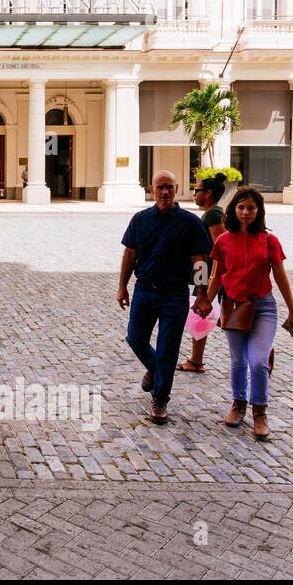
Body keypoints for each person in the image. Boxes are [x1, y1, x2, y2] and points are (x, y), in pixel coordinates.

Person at [194, 188, 293, 441]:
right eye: (241, 207)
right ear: (234, 210)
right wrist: (207, 302)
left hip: (263, 307)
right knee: (238, 360)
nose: (245, 212)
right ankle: (238, 404)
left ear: (258, 211)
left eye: (251, 208)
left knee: (257, 361)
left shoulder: (269, 241)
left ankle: (260, 412)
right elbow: (217, 275)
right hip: (233, 307)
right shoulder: (223, 241)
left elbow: (280, 276)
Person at [116, 170, 212, 425]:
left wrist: (202, 295)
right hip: (144, 290)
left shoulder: (190, 223)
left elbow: (200, 262)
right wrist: (122, 286)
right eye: (160, 187)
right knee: (135, 337)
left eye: (169, 187)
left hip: (174, 294)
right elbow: (129, 254)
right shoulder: (140, 220)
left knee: (168, 348)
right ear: (152, 189)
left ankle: (160, 399)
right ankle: (156, 369)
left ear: (177, 188)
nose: (165, 192)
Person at [178, 173, 228, 374]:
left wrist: (208, 280)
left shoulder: (213, 215)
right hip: (207, 273)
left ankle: (196, 361)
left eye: (196, 190)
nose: (193, 194)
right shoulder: (213, 212)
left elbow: (220, 249)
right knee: (211, 316)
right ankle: (196, 359)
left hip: (209, 274)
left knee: (202, 313)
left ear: (208, 194)